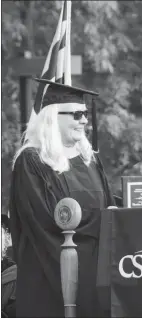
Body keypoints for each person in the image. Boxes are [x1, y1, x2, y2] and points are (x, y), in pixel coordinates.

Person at [9, 78, 116, 317]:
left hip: (97, 270)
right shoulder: (33, 161)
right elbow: (44, 225)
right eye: (77, 114)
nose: (85, 121)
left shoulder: (90, 159)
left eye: (85, 114)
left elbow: (108, 206)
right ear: (52, 117)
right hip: (52, 274)